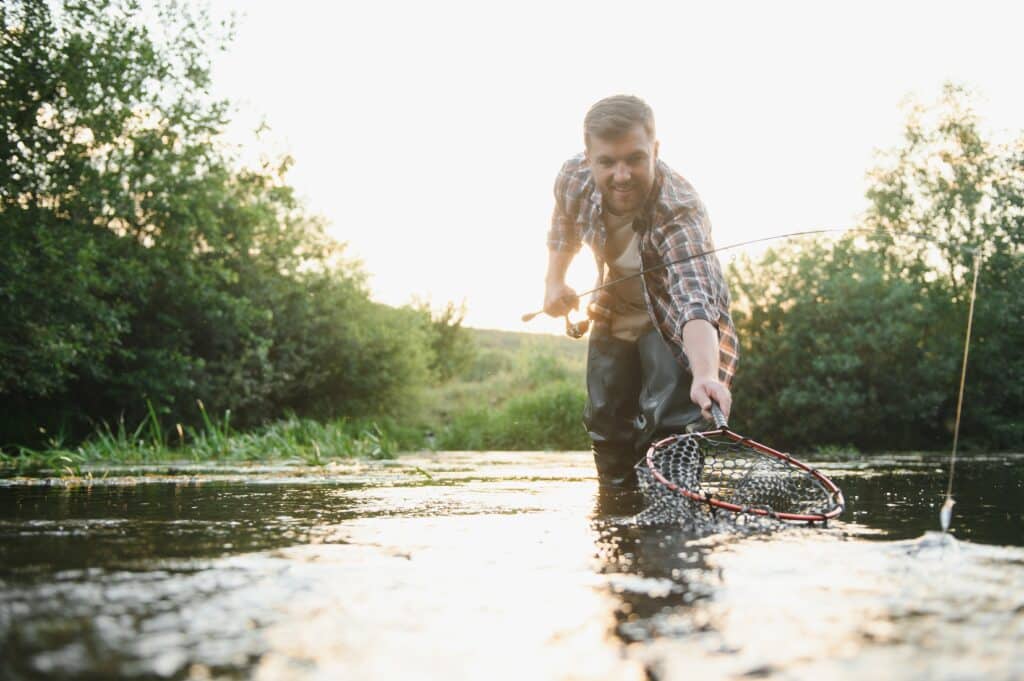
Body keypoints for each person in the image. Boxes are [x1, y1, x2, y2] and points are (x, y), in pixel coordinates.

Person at [544, 95, 739, 490]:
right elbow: (564, 227)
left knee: (669, 425)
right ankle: (616, 524)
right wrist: (554, 281)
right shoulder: (573, 177)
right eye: (607, 162)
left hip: (670, 320)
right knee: (606, 423)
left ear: (655, 150)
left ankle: (675, 529)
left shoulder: (679, 207)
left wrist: (704, 373)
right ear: (588, 157)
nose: (621, 175)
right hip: (612, 310)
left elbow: (694, 297)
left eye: (634, 159)